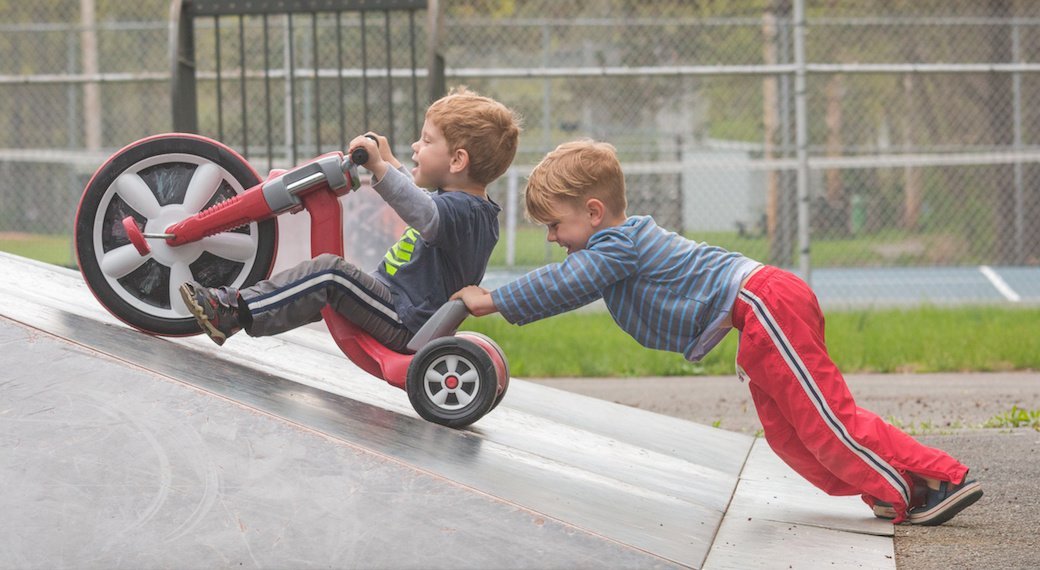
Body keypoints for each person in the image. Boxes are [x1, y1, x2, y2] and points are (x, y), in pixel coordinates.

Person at [452, 139, 982, 526]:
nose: (550, 238)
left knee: (824, 420)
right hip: (753, 320)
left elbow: (565, 284)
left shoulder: (616, 246)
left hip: (764, 302)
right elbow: (571, 280)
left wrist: (492, 299)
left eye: (554, 225)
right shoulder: (612, 249)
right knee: (788, 437)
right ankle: (894, 486)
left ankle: (933, 481)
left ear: (593, 213)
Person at [180, 86, 522, 353]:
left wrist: (379, 168)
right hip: (396, 306)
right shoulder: (466, 207)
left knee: (330, 272)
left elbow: (424, 213)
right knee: (321, 281)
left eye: (427, 141)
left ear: (458, 160)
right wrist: (391, 163)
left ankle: (233, 312)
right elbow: (426, 206)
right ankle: (247, 306)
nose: (417, 146)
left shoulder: (465, 212)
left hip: (404, 319)